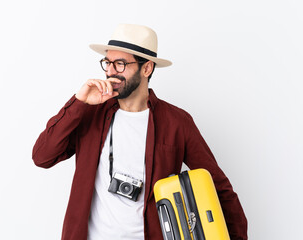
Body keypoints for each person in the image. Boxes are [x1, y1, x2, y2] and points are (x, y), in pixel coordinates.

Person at [32, 24, 248, 240]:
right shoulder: (90, 112)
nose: (110, 72)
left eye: (120, 64)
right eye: (107, 63)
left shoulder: (176, 122)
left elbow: (218, 187)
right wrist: (79, 102)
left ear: (147, 69)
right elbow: (42, 156)